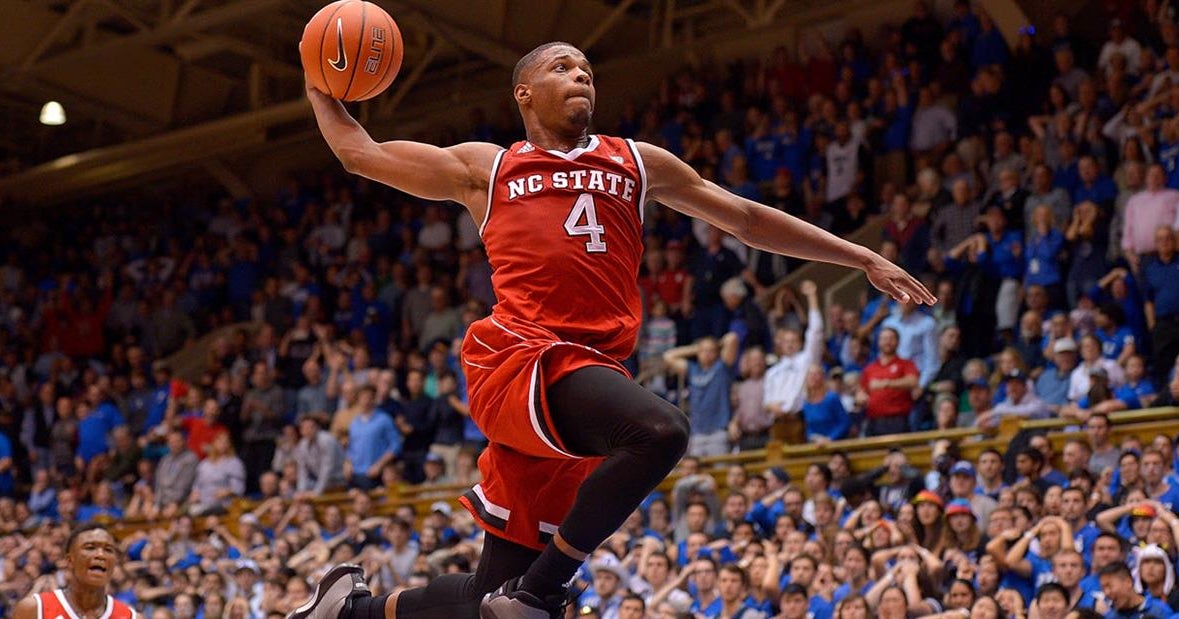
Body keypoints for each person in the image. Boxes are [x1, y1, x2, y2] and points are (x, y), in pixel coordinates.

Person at [293, 40, 933, 619]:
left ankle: (348, 611)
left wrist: (863, 256)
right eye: (562, 67)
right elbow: (361, 154)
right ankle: (543, 593)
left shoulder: (635, 161)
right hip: (524, 357)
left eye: (588, 71)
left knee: (490, 597)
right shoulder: (487, 167)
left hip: (590, 378)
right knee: (661, 431)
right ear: (524, 92)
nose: (581, 77)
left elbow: (744, 217)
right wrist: (318, 77)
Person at [12, 522, 139, 618]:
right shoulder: (34, 609)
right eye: (90, 548)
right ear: (69, 560)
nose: (101, 555)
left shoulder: (130, 616)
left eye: (108, 550)